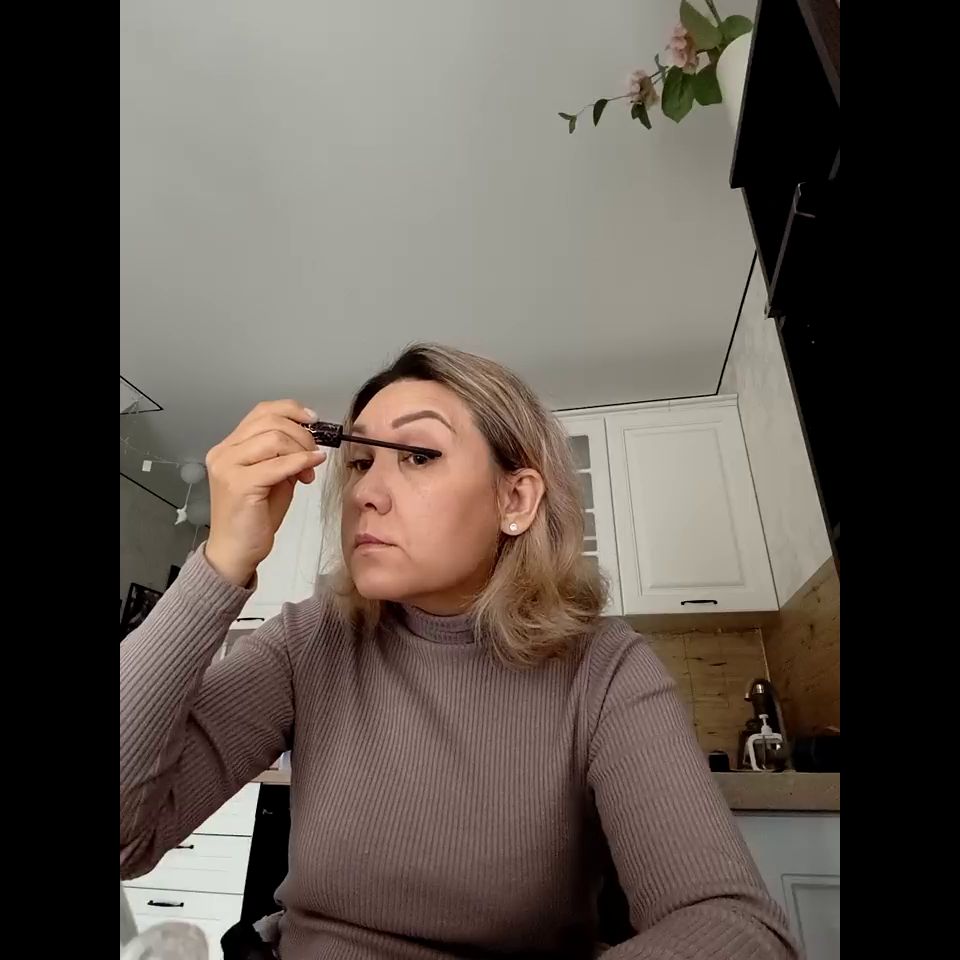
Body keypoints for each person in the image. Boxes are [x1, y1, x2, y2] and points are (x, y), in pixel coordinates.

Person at [120, 344, 799, 960]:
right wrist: (221, 562)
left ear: (515, 498)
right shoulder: (312, 639)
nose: (366, 493)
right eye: (359, 462)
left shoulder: (605, 668)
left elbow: (736, 928)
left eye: (418, 455)